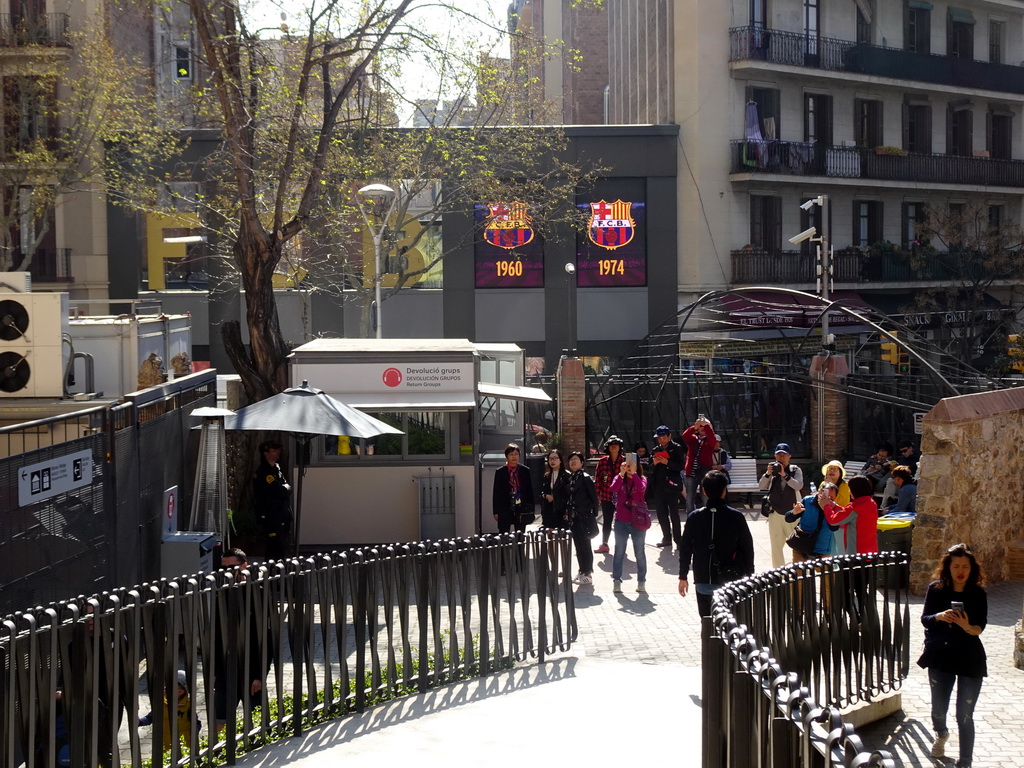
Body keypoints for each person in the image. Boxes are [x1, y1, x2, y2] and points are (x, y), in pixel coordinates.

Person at [917, 543, 987, 768]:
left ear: (971, 569)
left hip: (969, 657)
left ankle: (965, 761)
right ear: (948, 567)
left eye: (965, 566)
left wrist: (967, 626)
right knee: (939, 709)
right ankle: (941, 733)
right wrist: (939, 616)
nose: (960, 570)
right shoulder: (936, 588)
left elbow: (979, 627)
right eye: (956, 565)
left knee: (964, 714)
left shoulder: (977, 593)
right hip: (940, 656)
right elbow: (925, 618)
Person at [677, 470, 755, 617]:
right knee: (731, 622)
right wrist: (750, 574)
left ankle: (708, 639)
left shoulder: (695, 517)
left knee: (707, 621)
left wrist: (683, 576)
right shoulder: (736, 517)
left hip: (703, 579)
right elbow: (747, 548)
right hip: (731, 578)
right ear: (724, 491)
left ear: (704, 491)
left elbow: (685, 548)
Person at [214, 548, 274, 733]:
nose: (228, 572)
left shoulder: (258, 593)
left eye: (232, 567)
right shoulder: (222, 593)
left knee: (259, 718)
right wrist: (215, 670)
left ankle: (259, 743)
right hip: (226, 667)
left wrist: (260, 674)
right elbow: (217, 634)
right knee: (220, 716)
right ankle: (219, 753)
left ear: (244, 566)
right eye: (223, 568)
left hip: (251, 666)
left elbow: (267, 638)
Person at [758, 443, 803, 568]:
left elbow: (798, 486)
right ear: (775, 456)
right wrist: (768, 473)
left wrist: (785, 475)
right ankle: (778, 573)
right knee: (776, 547)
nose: (781, 458)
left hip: (793, 513)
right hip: (775, 512)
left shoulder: (795, 470)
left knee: (796, 545)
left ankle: (797, 570)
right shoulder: (772, 470)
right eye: (779, 455)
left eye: (784, 455)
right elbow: (761, 486)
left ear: (790, 456)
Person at [609, 455, 648, 594]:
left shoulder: (642, 479)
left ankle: (641, 581)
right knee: (619, 552)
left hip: (638, 521)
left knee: (639, 552)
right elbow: (613, 489)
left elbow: (641, 489)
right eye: (627, 465)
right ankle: (617, 581)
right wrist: (621, 474)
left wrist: (634, 474)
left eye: (632, 465)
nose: (630, 467)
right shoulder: (619, 478)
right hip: (621, 521)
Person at [139, 670, 201, 751]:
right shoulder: (161, 704)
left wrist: (194, 733)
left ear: (180, 692)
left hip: (184, 745)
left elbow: (197, 722)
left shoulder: (188, 706)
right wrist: (140, 722)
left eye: (169, 687)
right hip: (165, 744)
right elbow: (150, 717)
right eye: (165, 686)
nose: (165, 689)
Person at [562, 451, 599, 585]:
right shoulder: (571, 477)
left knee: (585, 545)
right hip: (574, 517)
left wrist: (592, 514)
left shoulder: (585, 478)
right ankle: (582, 571)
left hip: (583, 516)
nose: (573, 462)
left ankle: (588, 573)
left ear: (582, 463)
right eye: (571, 460)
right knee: (578, 545)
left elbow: (594, 498)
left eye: (576, 459)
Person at [646, 425, 685, 549]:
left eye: (663, 437)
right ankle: (666, 537)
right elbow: (649, 469)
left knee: (674, 514)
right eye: (659, 438)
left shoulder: (677, 448)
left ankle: (678, 539)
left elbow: (681, 466)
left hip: (672, 485)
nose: (661, 440)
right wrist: (655, 463)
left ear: (669, 436)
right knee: (661, 514)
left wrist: (667, 462)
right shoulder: (655, 450)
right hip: (659, 486)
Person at [252, 440, 292, 560]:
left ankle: (280, 573)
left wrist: (285, 489)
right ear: (266, 453)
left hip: (281, 514)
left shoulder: (276, 469)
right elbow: (280, 491)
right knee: (273, 548)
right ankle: (272, 574)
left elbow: (287, 488)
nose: (278, 452)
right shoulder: (264, 472)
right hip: (271, 516)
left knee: (281, 546)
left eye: (279, 450)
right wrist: (285, 489)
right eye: (274, 450)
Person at [821, 475, 878, 555]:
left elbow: (833, 520)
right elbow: (848, 514)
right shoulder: (871, 503)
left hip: (856, 553)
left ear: (853, 491)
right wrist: (834, 506)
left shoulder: (854, 507)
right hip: (871, 550)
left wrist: (827, 506)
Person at [786, 481, 839, 561]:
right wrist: (794, 512)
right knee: (798, 573)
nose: (827, 499)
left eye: (831, 498)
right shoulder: (807, 501)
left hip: (822, 551)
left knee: (827, 573)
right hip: (801, 547)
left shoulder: (835, 508)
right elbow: (788, 518)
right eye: (825, 495)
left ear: (835, 498)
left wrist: (827, 509)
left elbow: (834, 527)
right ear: (818, 492)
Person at [492, 443, 535, 534]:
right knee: (504, 535)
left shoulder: (525, 470)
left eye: (516, 454)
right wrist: (496, 511)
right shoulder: (500, 472)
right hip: (505, 507)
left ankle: (520, 548)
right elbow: (496, 493)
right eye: (511, 454)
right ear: (506, 457)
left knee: (520, 534)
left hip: (520, 506)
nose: (514, 457)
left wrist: (531, 508)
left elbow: (529, 491)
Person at [594, 436, 626, 554]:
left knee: (621, 521)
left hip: (622, 497)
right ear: (607, 447)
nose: (614, 446)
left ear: (620, 446)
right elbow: (598, 479)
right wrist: (597, 496)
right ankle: (605, 543)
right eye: (611, 444)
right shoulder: (602, 462)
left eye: (616, 444)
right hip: (606, 496)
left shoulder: (625, 461)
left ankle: (621, 544)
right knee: (607, 520)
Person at [680, 416, 718, 513]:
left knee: (705, 496)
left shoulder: (710, 439)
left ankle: (707, 516)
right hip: (691, 471)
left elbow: (712, 441)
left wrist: (707, 426)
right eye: (700, 426)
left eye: (704, 426)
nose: (702, 428)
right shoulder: (693, 439)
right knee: (690, 498)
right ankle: (691, 517)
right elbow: (685, 436)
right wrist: (694, 427)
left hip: (705, 471)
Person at [540, 448, 568, 528]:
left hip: (561, 510)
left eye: (555, 458)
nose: (552, 461)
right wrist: (546, 496)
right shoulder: (547, 475)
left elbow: (569, 495)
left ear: (560, 460)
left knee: (561, 536)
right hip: (549, 510)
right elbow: (542, 492)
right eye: (550, 458)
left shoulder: (566, 476)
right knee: (550, 536)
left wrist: (568, 512)